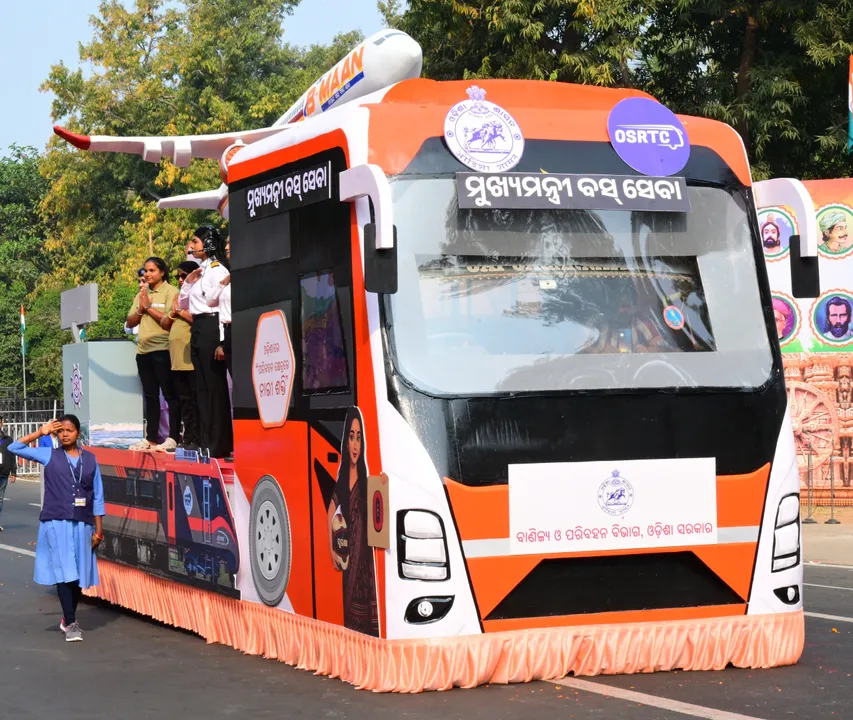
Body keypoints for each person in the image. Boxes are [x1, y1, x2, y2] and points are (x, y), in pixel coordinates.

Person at [8, 416, 104, 643]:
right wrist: (41, 431)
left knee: (78, 574)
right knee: (64, 571)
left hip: (83, 522)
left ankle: (66, 617)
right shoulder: (49, 454)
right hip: (56, 522)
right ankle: (71, 622)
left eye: (69, 431)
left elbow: (98, 496)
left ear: (78, 433)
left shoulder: (90, 460)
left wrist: (98, 531)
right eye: (61, 431)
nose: (65, 435)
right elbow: (14, 447)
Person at [326, 407, 385, 637]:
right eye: (351, 437)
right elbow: (330, 512)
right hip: (349, 557)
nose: (355, 444)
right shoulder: (342, 479)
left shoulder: (366, 478)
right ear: (345, 442)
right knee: (350, 613)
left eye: (359, 438)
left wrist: (382, 484)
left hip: (366, 561)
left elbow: (378, 510)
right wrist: (331, 548)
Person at [179, 226, 233, 459]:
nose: (192, 246)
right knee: (200, 388)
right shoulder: (199, 271)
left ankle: (218, 442)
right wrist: (188, 283)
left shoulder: (216, 269)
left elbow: (220, 305)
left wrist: (221, 339)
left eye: (196, 242)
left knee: (213, 387)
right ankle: (204, 439)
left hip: (213, 325)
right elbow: (182, 303)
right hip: (198, 326)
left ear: (208, 243)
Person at [127, 257, 180, 452]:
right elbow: (130, 322)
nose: (147, 275)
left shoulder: (171, 292)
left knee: (170, 395)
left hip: (163, 350)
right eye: (145, 271)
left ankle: (173, 436)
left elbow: (168, 321)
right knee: (150, 396)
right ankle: (151, 438)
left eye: (151, 271)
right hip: (143, 351)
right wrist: (141, 308)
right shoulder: (142, 293)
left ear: (162, 272)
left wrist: (149, 307)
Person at [159, 260, 201, 448]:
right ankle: (189, 436)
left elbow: (197, 319)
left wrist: (179, 312)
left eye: (184, 276)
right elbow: (165, 323)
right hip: (176, 360)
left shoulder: (198, 294)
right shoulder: (179, 297)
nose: (180, 280)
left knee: (194, 401)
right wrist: (174, 313)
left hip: (191, 360)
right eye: (178, 277)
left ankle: (198, 437)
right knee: (184, 401)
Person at [584, 287, 668, 354]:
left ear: (634, 307)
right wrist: (598, 353)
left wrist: (647, 350)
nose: (620, 310)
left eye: (625, 306)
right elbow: (580, 347)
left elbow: (665, 347)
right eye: (617, 306)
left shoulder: (642, 321)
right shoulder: (598, 323)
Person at [208, 235, 232, 380]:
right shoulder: (227, 274)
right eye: (226, 243)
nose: (226, 247)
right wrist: (223, 283)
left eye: (230, 243)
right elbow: (210, 301)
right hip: (228, 333)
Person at [0, 416, 17, 532]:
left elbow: (12, 456)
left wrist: (13, 472)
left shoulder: (8, 439)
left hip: (3, 473)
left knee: (0, 499)